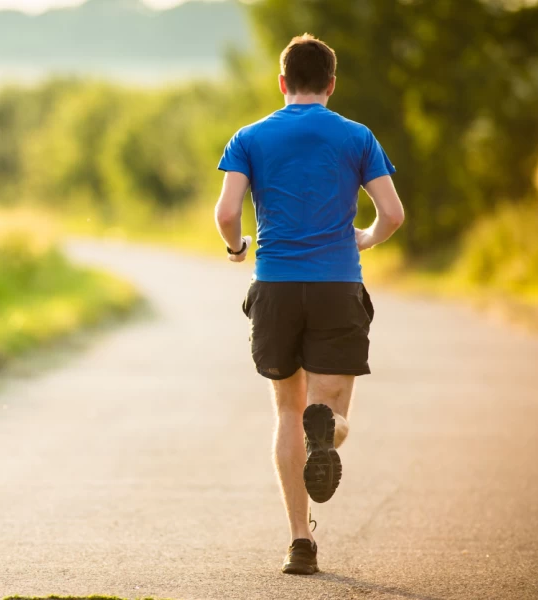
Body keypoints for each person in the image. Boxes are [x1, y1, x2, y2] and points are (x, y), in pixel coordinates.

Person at [212, 33, 406, 576]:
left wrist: (236, 249)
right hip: (336, 285)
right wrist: (364, 238)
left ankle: (300, 543)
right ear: (331, 84)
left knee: (286, 412)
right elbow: (391, 214)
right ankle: (331, 433)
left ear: (281, 83)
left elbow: (227, 212)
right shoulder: (357, 136)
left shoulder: (249, 136)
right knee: (331, 412)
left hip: (274, 285)